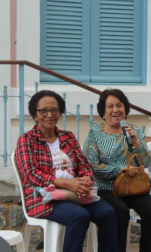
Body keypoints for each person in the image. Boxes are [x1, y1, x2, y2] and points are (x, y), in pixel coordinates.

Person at [15, 90, 118, 252]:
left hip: (76, 194)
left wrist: (85, 181)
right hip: (45, 198)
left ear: (60, 112)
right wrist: (67, 184)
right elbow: (31, 174)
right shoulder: (26, 140)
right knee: (79, 216)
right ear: (35, 115)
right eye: (43, 111)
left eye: (54, 110)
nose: (49, 114)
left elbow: (84, 166)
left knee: (108, 212)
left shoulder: (68, 137)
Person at [83, 89, 151, 252]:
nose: (115, 110)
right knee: (119, 210)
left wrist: (137, 144)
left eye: (119, 105)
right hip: (106, 187)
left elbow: (147, 162)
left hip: (132, 187)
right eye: (110, 106)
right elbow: (91, 164)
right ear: (103, 112)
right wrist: (121, 170)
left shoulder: (134, 131)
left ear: (125, 109)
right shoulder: (95, 133)